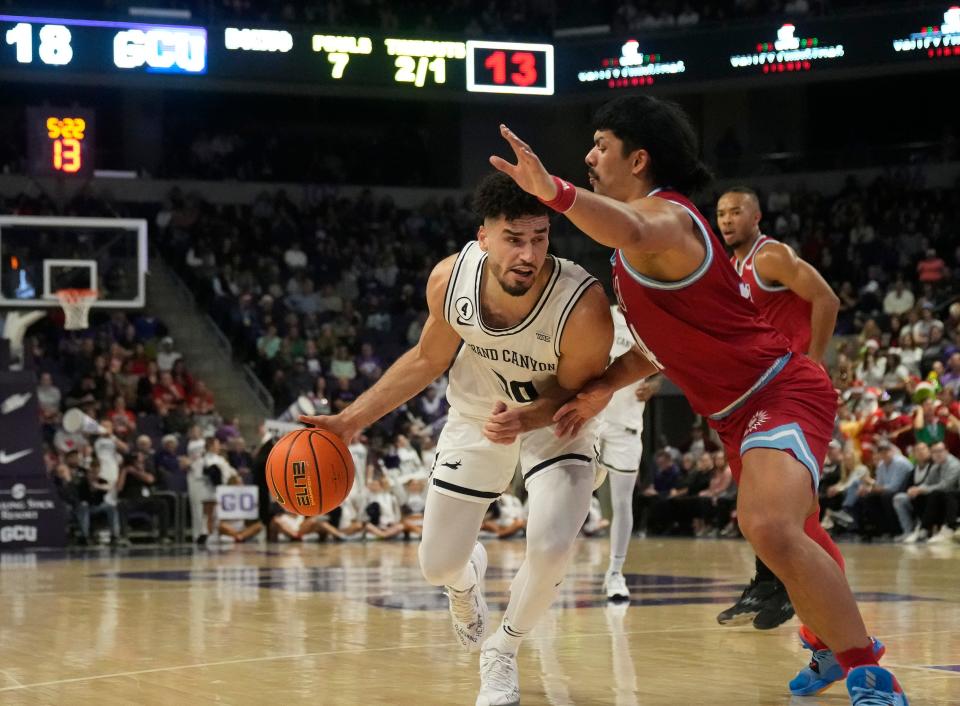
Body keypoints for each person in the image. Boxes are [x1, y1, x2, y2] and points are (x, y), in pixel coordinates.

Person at [490, 95, 906, 704]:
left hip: (779, 389)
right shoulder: (633, 257)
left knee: (767, 523)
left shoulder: (668, 220)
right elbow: (658, 349)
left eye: (601, 145)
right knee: (799, 535)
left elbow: (628, 224)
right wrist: (604, 384)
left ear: (639, 160)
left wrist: (552, 189)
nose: (589, 155)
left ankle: (869, 672)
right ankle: (825, 642)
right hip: (735, 415)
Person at [300, 172, 613, 706]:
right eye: (515, 238)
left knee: (553, 544)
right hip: (476, 413)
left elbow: (584, 392)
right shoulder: (451, 280)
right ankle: (464, 580)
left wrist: (528, 417)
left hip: (557, 421)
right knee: (437, 564)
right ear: (484, 237)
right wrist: (349, 421)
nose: (529, 253)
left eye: (540, 238)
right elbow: (426, 359)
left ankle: (504, 651)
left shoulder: (582, 306)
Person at [714, 185, 840, 631]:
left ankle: (804, 603)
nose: (727, 220)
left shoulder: (770, 257)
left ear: (757, 216)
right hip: (755, 394)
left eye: (736, 212)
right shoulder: (730, 268)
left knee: (792, 512)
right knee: (773, 509)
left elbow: (826, 298)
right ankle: (777, 587)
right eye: (721, 213)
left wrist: (815, 360)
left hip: (790, 391)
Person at [595, 303, 661, 600]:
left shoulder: (651, 322)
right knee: (571, 497)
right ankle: (550, 572)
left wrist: (657, 383)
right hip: (592, 419)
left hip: (627, 425)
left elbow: (668, 365)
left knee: (622, 502)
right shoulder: (602, 314)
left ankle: (615, 574)